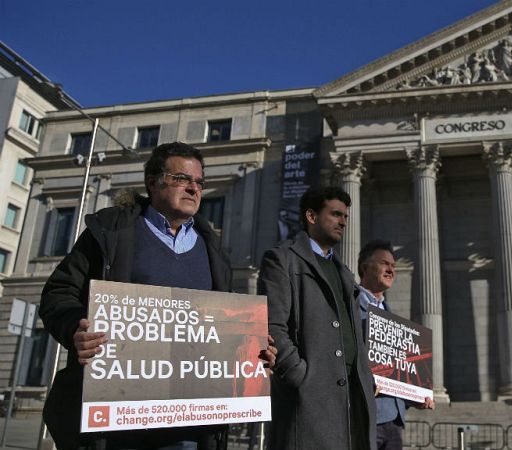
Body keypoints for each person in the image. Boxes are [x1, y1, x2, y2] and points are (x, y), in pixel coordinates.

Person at [39, 142, 276, 450]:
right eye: (182, 179)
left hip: (189, 425)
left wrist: (255, 352)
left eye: (199, 183)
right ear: (153, 182)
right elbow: (58, 293)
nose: (194, 188)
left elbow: (222, 329)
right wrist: (75, 329)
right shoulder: (112, 232)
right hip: (117, 423)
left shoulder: (212, 250)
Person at [258, 186, 376, 450]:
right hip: (309, 400)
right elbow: (272, 325)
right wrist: (299, 376)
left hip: (352, 399)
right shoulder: (282, 259)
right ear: (311, 216)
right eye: (335, 214)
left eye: (345, 216)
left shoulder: (344, 273)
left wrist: (366, 377)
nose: (343, 222)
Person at [356, 240, 435, 450]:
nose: (391, 269)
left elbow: (398, 373)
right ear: (365, 267)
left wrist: (415, 397)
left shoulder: (392, 318)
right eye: (384, 263)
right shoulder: (349, 309)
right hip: (364, 417)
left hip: (394, 420)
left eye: (393, 265)